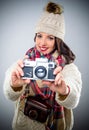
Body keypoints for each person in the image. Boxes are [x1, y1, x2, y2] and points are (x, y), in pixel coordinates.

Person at [3, 2, 82, 130]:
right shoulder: (26, 60)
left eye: (50, 38)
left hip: (54, 124)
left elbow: (73, 100)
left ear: (57, 41)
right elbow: (10, 95)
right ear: (35, 36)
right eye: (39, 36)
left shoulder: (67, 67)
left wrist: (65, 91)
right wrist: (13, 85)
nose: (42, 43)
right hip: (24, 123)